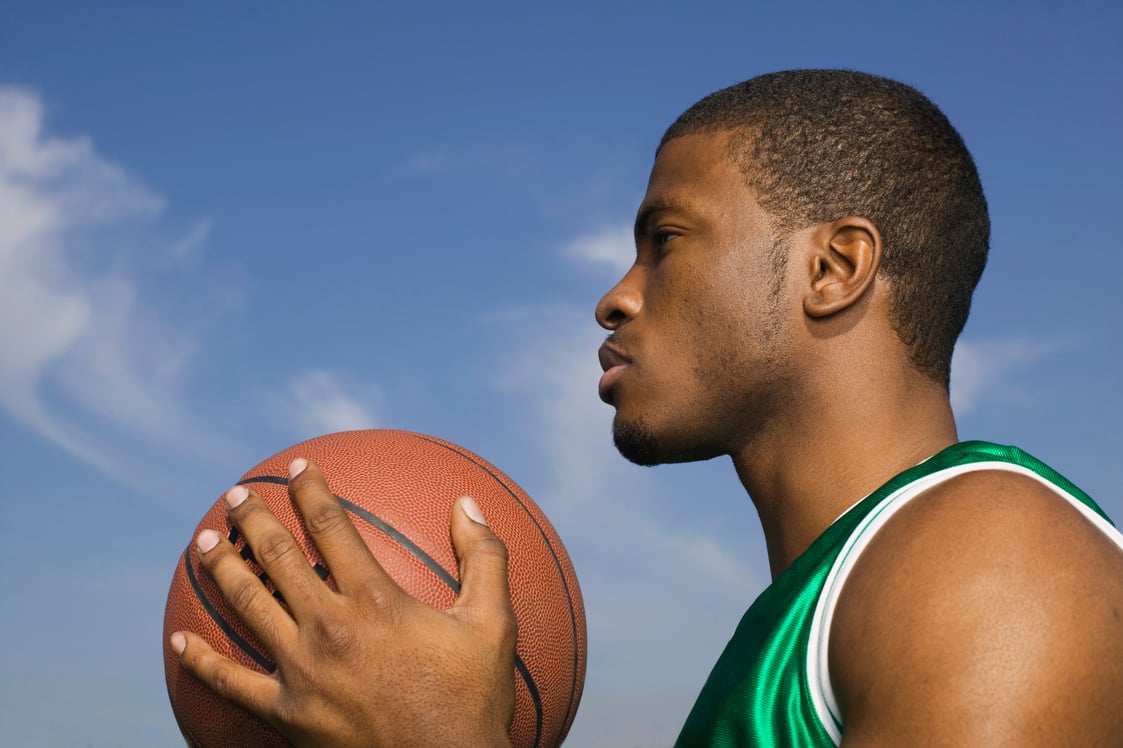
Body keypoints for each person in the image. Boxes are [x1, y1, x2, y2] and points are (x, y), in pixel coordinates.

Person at [170, 70, 1123, 746]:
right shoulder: (808, 620)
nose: (615, 296)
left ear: (833, 268)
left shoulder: (995, 559)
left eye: (664, 239)